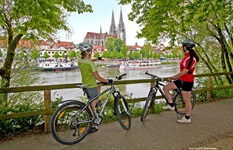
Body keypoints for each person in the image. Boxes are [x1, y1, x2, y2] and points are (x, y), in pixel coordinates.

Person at [78, 42, 113, 132]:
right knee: (91, 107)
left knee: (99, 86)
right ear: (88, 52)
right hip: (91, 86)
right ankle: (89, 127)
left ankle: (96, 103)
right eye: (91, 51)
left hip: (85, 85)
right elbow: (97, 77)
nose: (92, 52)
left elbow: (88, 61)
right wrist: (107, 80)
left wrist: (98, 59)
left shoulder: (80, 61)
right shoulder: (91, 64)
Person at [162, 39, 199, 124]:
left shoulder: (191, 58)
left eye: (183, 46)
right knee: (166, 88)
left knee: (186, 100)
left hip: (187, 81)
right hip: (182, 79)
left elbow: (185, 71)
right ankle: (171, 105)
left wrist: (173, 77)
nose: (182, 48)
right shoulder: (186, 57)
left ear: (186, 47)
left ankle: (187, 117)